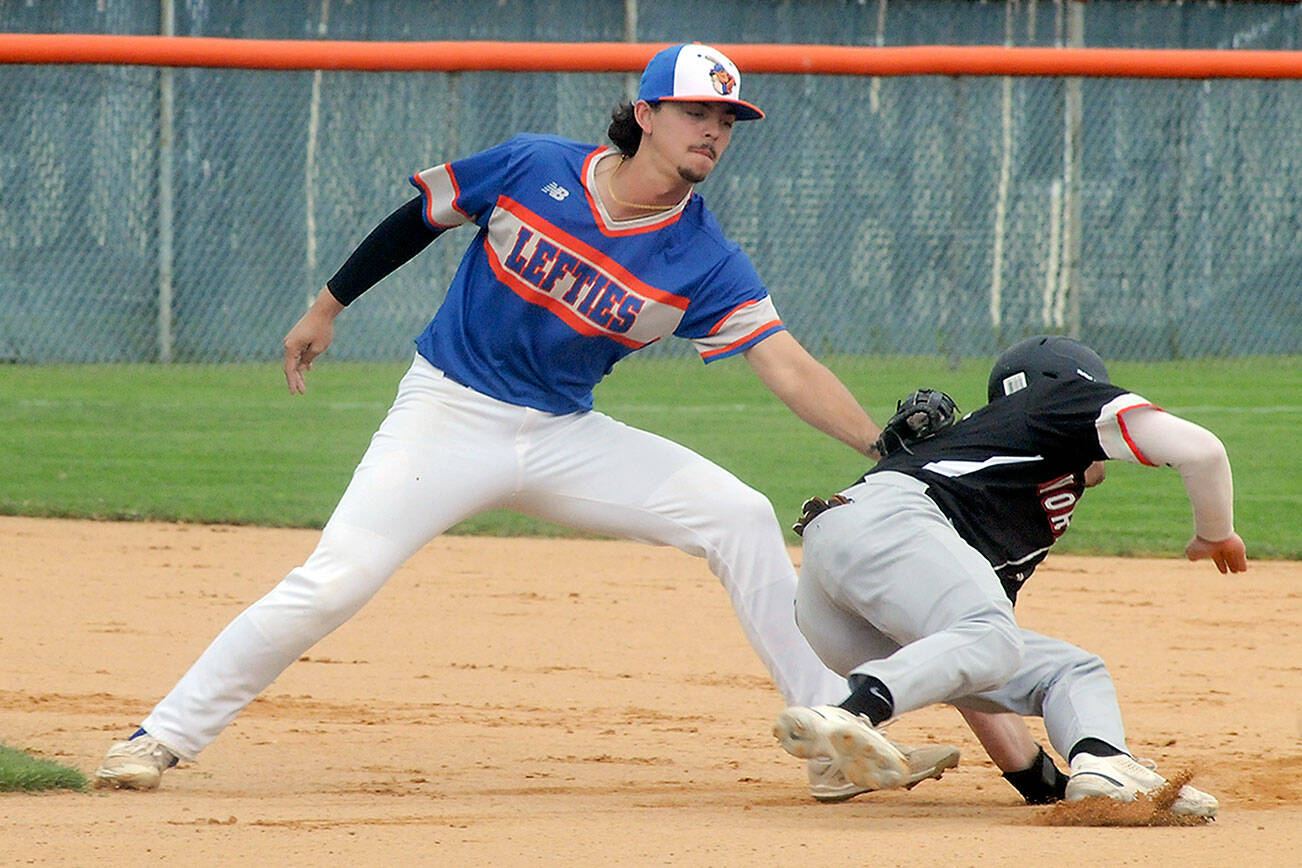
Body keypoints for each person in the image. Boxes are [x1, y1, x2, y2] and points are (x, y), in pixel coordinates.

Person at [92, 42, 960, 797]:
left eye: (728, 120)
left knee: (737, 514)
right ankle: (158, 737)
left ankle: (830, 736)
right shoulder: (534, 165)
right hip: (446, 412)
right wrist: (327, 306)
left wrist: (880, 447)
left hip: (563, 437)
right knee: (338, 577)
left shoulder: (704, 255)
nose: (715, 131)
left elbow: (785, 362)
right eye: (699, 110)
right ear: (648, 112)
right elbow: (418, 219)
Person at [772, 335, 1247, 816]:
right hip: (892, 522)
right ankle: (853, 712)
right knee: (989, 636)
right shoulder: (1057, 398)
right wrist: (1215, 533)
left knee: (1066, 669)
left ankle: (1103, 763)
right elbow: (1201, 450)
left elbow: (970, 666)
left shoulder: (1011, 480)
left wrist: (1040, 784)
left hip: (830, 593)